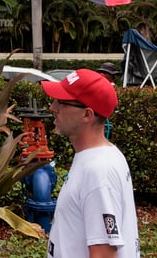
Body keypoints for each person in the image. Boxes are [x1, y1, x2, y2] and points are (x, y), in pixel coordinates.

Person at [41, 69, 139, 258]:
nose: (53, 107)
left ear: (87, 115)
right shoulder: (104, 156)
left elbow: (103, 253)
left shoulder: (97, 171)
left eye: (61, 102)